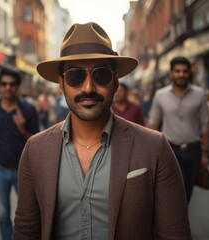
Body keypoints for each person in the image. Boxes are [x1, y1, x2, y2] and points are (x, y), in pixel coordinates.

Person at [13, 22, 191, 239]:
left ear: (115, 82)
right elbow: (26, 230)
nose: (88, 88)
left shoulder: (154, 147)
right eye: (75, 76)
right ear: (61, 84)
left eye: (101, 75)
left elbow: (174, 233)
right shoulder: (36, 149)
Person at [0, 68, 39, 240]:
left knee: (30, 215)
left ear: (18, 86)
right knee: (2, 214)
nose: (8, 88)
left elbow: (37, 144)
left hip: (24, 171)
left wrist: (22, 129)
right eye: (4, 84)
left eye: (12, 84)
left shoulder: (28, 110)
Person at [148, 56, 209, 203]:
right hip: (171, 150)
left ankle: (180, 221)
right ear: (171, 73)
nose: (181, 74)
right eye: (177, 71)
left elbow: (205, 125)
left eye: (184, 71)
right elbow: (153, 124)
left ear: (189, 73)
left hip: (194, 151)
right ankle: (176, 223)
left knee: (188, 190)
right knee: (177, 189)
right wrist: (151, 152)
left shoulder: (199, 94)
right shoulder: (160, 95)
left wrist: (206, 153)